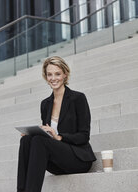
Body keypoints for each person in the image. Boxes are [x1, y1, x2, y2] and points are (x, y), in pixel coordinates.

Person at [17, 56, 96, 192]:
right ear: (46, 77)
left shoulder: (78, 98)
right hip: (57, 161)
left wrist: (59, 137)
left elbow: (84, 136)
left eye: (57, 74)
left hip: (78, 158)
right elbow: (46, 138)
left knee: (39, 141)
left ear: (65, 75)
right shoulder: (45, 104)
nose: (53, 78)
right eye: (49, 74)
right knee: (27, 140)